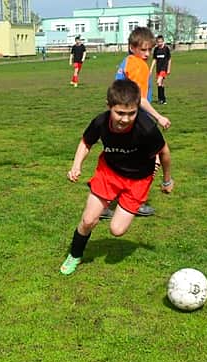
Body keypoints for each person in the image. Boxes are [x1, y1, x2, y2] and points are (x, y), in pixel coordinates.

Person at [59, 79, 173, 276]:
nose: (125, 119)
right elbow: (86, 142)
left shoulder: (146, 128)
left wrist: (167, 180)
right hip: (109, 173)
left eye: (131, 113)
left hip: (138, 180)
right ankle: (75, 254)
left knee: (117, 230)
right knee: (88, 220)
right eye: (120, 113)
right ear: (109, 106)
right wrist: (76, 165)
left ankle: (136, 184)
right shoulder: (100, 122)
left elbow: (164, 153)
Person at [111, 26, 170, 217]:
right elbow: (141, 99)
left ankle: (110, 199)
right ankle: (134, 201)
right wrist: (159, 117)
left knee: (127, 160)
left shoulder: (126, 61)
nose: (146, 54)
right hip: (136, 117)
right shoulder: (138, 66)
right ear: (132, 47)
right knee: (154, 158)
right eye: (143, 49)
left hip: (120, 117)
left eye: (149, 50)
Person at [150, 35, 171, 104]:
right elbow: (154, 59)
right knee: (161, 84)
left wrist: (168, 69)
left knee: (158, 82)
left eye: (161, 42)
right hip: (158, 69)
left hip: (164, 68)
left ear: (163, 41)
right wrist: (151, 69)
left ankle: (160, 99)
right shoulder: (156, 49)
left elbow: (169, 59)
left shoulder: (166, 49)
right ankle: (163, 99)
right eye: (158, 42)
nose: (159, 43)